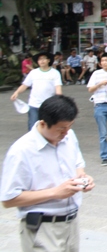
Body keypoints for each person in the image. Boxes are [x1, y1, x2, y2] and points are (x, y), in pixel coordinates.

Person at [0, 95, 95, 252]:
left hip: (71, 224)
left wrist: (83, 178)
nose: (66, 133)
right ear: (43, 123)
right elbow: (9, 199)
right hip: (42, 228)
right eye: (61, 129)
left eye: (70, 126)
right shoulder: (21, 151)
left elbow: (78, 164)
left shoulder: (69, 136)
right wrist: (55, 193)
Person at [10, 52, 63, 131]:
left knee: (48, 128)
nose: (42, 61)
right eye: (39, 59)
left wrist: (59, 100)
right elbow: (25, 85)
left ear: (48, 60)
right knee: (33, 127)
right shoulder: (33, 73)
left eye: (44, 59)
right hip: (33, 105)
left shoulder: (55, 73)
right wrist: (16, 92)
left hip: (48, 105)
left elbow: (58, 88)